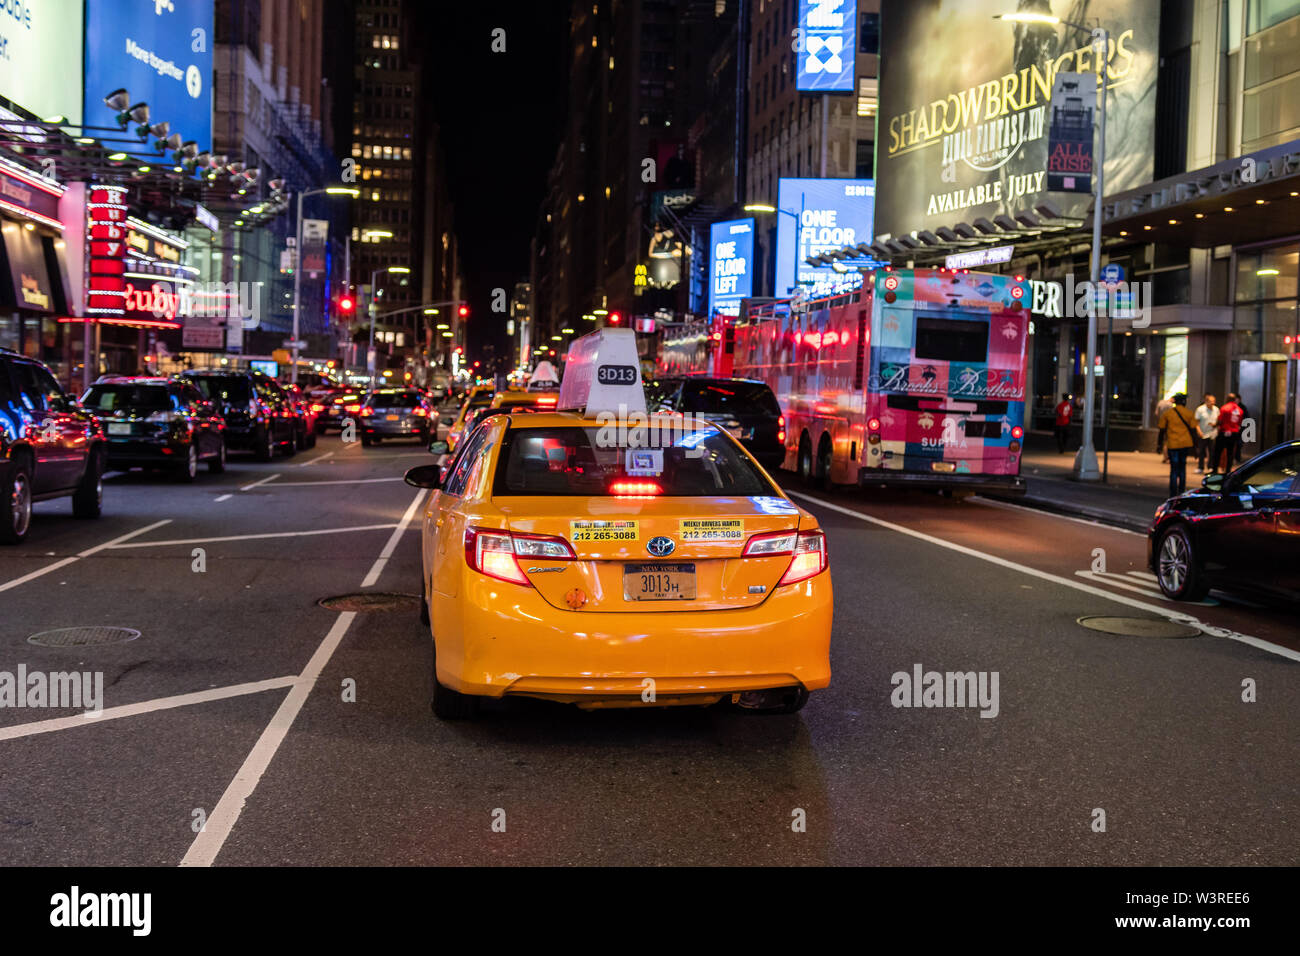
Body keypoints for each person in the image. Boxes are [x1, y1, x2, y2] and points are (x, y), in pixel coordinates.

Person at [1156, 392, 1197, 497]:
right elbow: (1193, 431)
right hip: (1185, 444)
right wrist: (1196, 447)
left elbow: (1162, 430)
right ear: (1184, 402)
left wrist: (1159, 445)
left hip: (1173, 444)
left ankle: (1173, 492)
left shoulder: (1168, 414)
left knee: (1174, 469)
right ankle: (1181, 490)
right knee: (1182, 467)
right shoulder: (1189, 413)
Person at [1214, 393, 1244, 474]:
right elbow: (1240, 422)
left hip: (1224, 432)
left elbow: (1220, 421)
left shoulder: (1225, 408)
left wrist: (1215, 425)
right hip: (1234, 433)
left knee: (1218, 452)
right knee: (1230, 453)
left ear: (1227, 399)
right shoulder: (1239, 410)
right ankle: (1228, 471)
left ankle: (1214, 470)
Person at [1193, 393, 1218, 474]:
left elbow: (1219, 420)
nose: (1213, 403)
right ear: (1206, 401)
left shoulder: (1216, 409)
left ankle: (1210, 466)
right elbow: (1196, 422)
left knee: (1212, 451)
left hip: (1212, 433)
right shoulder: (1200, 409)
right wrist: (1199, 431)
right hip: (1202, 433)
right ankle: (1201, 467)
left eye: (1214, 401)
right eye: (1211, 401)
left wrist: (1215, 425)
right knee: (1201, 451)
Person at [1154, 394, 1174, 463]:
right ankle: (1167, 457)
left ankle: (1163, 454)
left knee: (1162, 439)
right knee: (1167, 441)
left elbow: (1156, 413)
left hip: (1161, 423)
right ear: (1172, 399)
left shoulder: (1160, 402)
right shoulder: (1170, 405)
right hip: (1168, 425)